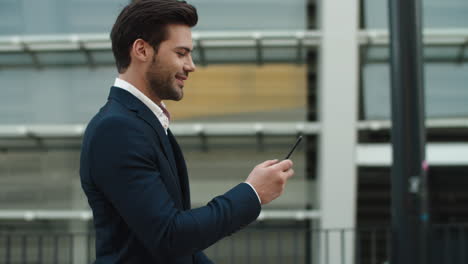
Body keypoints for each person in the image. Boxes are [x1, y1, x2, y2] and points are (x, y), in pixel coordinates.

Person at [79, 1, 294, 263]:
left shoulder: (144, 123)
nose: (191, 65)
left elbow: (179, 247)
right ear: (142, 50)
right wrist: (253, 193)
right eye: (181, 53)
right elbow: (171, 236)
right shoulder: (117, 130)